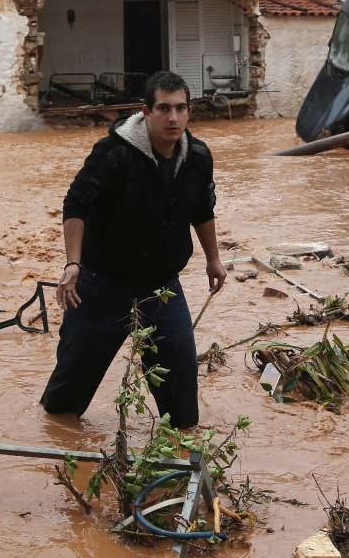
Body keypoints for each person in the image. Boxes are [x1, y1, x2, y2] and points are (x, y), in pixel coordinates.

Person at [39, 71, 225, 429]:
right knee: (64, 406)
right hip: (100, 287)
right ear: (146, 111)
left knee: (183, 413)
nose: (173, 118)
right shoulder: (113, 154)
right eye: (164, 108)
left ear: (189, 112)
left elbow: (202, 209)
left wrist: (213, 258)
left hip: (162, 288)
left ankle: (176, 461)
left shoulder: (198, 157)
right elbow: (76, 205)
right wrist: (72, 263)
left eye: (180, 108)